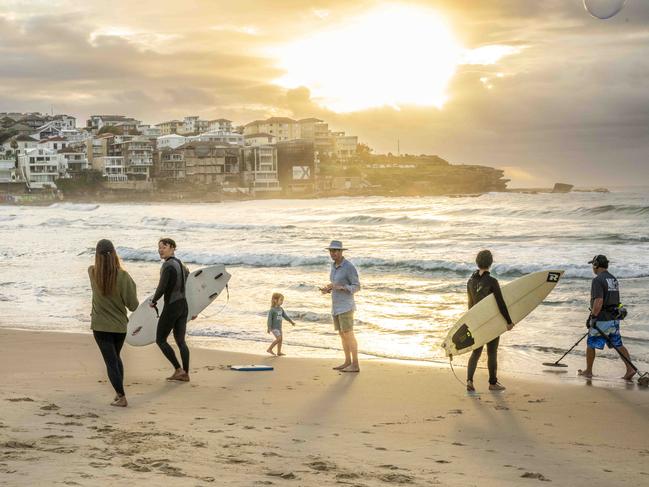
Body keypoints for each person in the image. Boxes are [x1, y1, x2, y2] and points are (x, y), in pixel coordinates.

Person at [88, 239, 138, 407]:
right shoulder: (123, 276)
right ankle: (119, 393)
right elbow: (133, 305)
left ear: (96, 255)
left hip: (100, 326)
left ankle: (121, 395)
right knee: (115, 359)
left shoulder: (92, 272)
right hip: (119, 327)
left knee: (111, 361)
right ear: (114, 254)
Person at [579, 255, 636, 380]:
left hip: (602, 319)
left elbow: (598, 301)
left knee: (591, 344)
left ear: (596, 265)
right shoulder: (613, 279)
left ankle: (588, 371)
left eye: (593, 265)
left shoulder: (597, 280)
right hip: (614, 318)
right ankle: (630, 368)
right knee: (618, 344)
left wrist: (593, 317)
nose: (592, 268)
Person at [466, 250, 513, 392]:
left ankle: (469, 381)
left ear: (477, 262)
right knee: (492, 352)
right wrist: (509, 321)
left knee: (476, 352)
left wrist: (471, 322)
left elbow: (470, 305)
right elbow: (501, 303)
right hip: (491, 322)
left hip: (477, 322)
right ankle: (493, 383)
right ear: (490, 263)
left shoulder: (470, 282)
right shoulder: (492, 282)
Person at [151, 237, 191, 382]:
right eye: (159, 247)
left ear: (173, 248)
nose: (160, 250)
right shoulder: (183, 265)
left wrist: (153, 300)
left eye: (164, 247)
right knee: (181, 341)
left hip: (172, 306)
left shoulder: (167, 266)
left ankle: (178, 369)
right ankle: (185, 373)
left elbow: (162, 287)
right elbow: (188, 286)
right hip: (183, 306)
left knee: (160, 339)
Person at [319, 240, 361, 373]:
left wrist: (342, 287)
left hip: (346, 307)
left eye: (336, 250)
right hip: (336, 306)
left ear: (341, 252)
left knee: (349, 334)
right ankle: (347, 362)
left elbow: (357, 286)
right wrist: (328, 289)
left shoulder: (349, 267)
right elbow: (335, 284)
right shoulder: (333, 266)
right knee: (342, 335)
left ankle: (355, 365)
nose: (333, 253)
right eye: (331, 251)